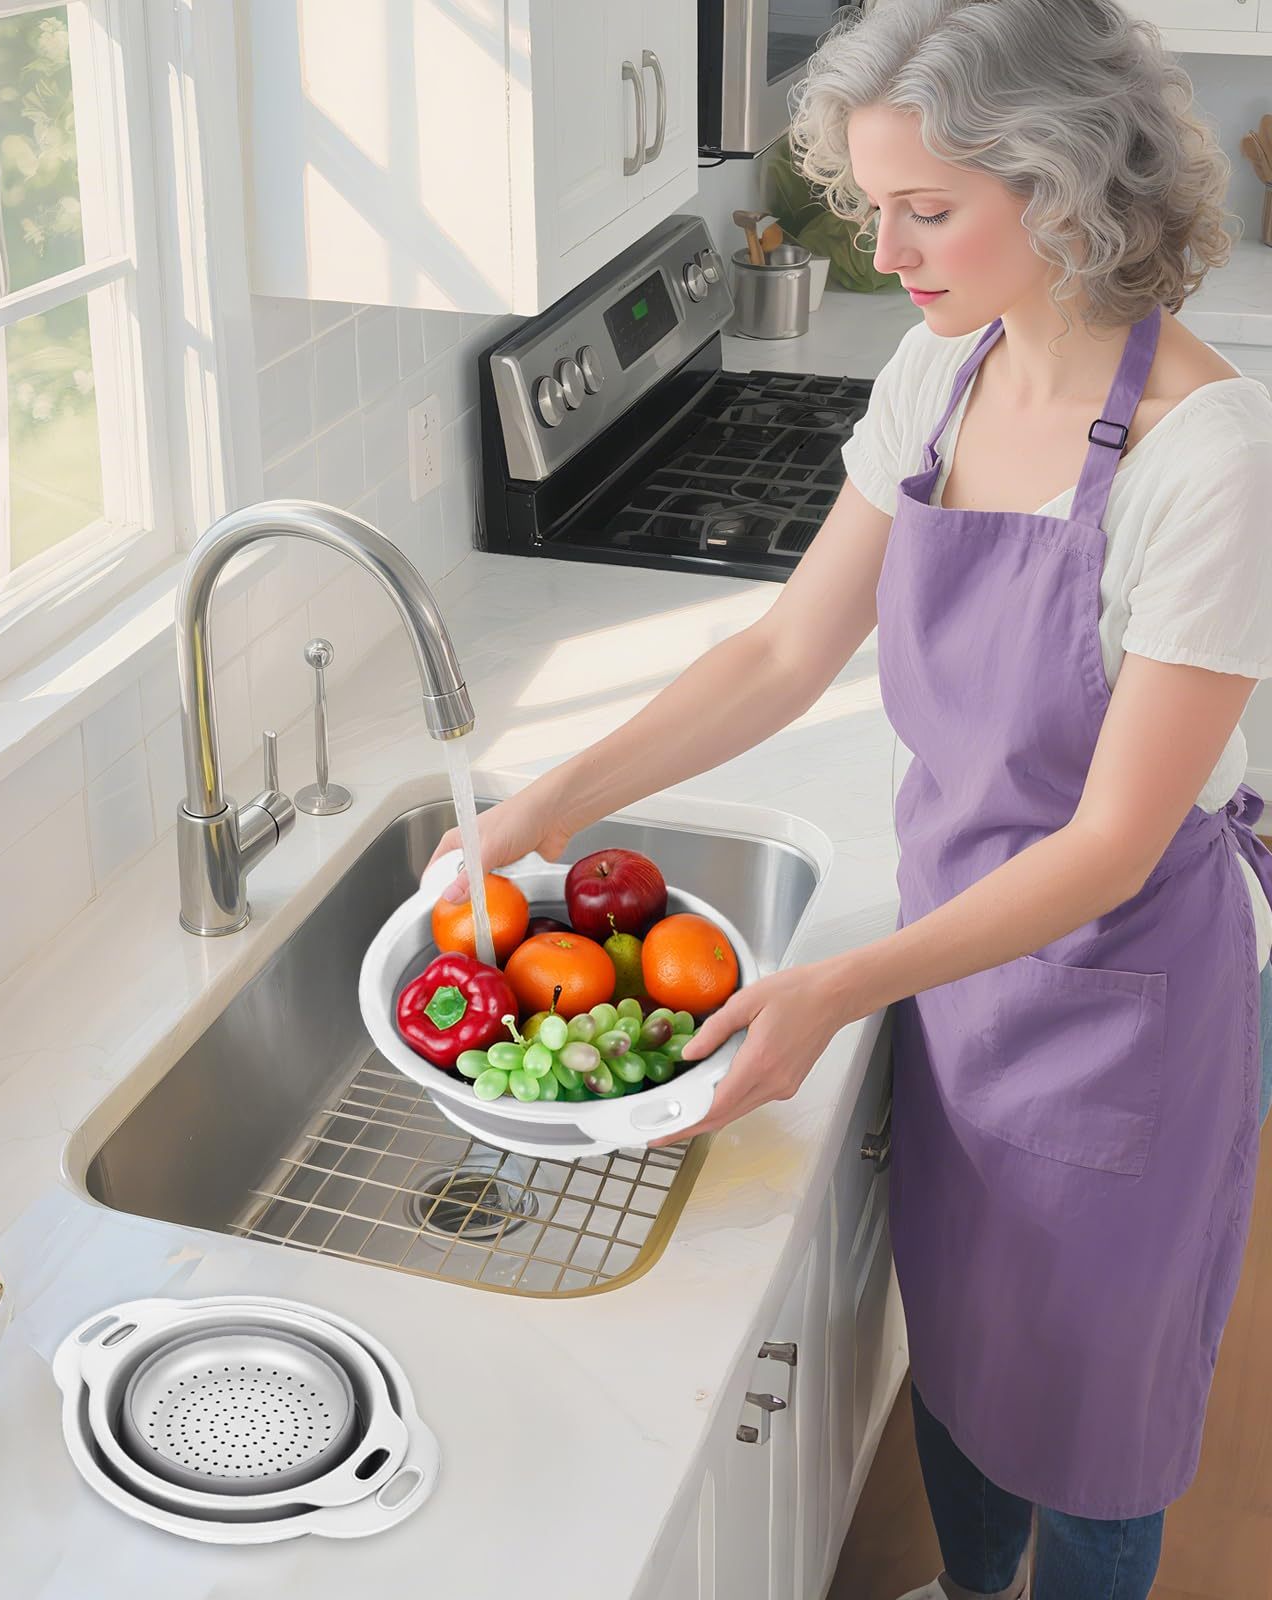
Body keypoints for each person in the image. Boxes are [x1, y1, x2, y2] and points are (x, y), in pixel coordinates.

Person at [427, 2, 1272, 1594]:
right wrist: (550, 803)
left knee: (1096, 1406)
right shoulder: (943, 369)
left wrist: (835, 987)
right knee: (961, 1342)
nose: (884, 253)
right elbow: (782, 651)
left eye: (926, 210)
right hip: (953, 953)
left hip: (1128, 996)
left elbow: (1111, 847)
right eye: (873, 204)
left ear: (1064, 186)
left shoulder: (1208, 454)